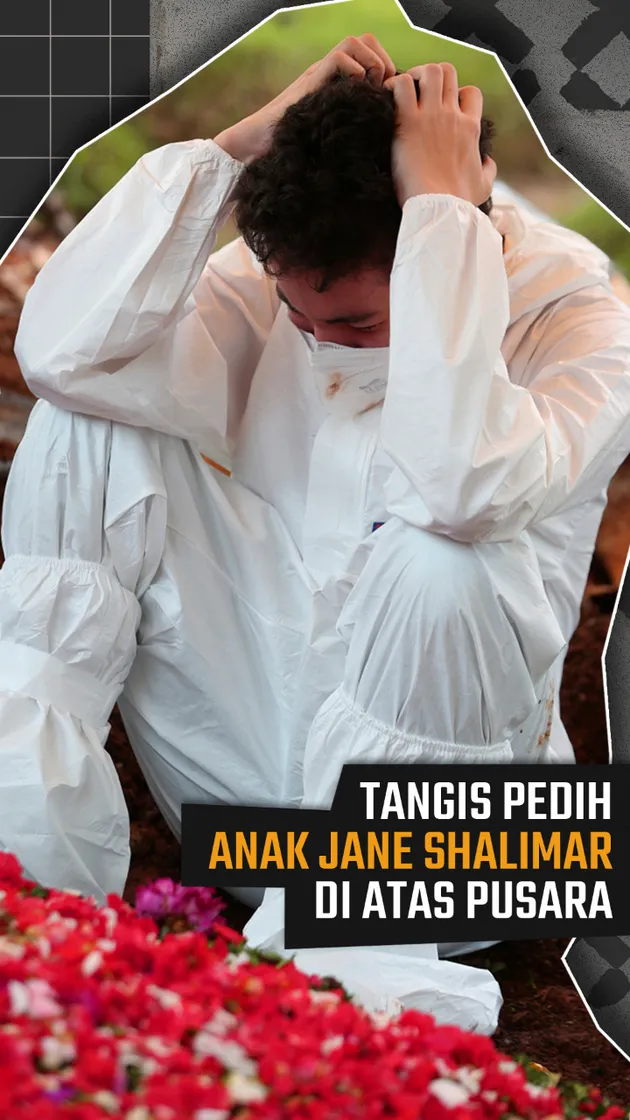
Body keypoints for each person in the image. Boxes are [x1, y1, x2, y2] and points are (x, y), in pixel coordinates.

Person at [1, 33, 630, 1029]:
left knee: (441, 553)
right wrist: (236, 148)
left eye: (356, 326)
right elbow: (65, 355)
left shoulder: (577, 316)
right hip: (243, 818)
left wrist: (440, 216)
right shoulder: (291, 283)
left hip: (459, 861)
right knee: (87, 422)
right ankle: (33, 888)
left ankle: (347, 999)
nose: (316, 340)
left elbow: (461, 481)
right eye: (299, 317)